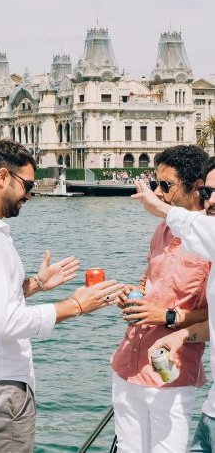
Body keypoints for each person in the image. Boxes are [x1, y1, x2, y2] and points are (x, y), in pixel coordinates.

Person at [0, 139, 124, 452]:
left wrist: (35, 284)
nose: (30, 194)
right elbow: (7, 323)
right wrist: (76, 305)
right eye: (27, 184)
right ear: (2, 177)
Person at [111, 145, 210, 452]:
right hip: (128, 362)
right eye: (156, 184)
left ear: (196, 187)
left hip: (171, 372)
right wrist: (131, 294)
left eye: (166, 186)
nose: (159, 193)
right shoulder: (162, 230)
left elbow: (213, 317)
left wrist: (166, 315)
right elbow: (149, 280)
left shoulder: (210, 240)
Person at [139, 156, 215, 452]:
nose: (210, 201)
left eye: (166, 185)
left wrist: (170, 317)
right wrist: (182, 334)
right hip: (211, 412)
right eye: (207, 193)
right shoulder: (187, 236)